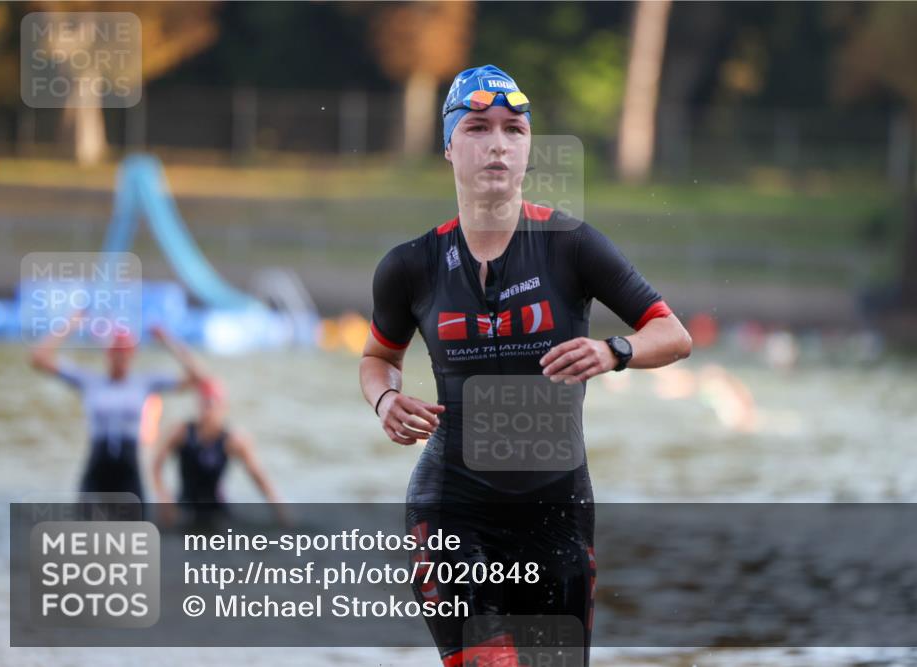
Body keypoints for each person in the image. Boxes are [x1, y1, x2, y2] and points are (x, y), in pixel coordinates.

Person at [359, 64, 692, 666]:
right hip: (451, 504)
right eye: (479, 128)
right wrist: (386, 399)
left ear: (529, 147)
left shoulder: (572, 245)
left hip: (557, 509)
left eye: (513, 129)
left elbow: (673, 335)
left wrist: (613, 351)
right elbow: (379, 358)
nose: (497, 144)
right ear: (449, 146)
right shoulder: (411, 266)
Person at [29, 322, 202, 502]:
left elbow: (198, 377)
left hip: (129, 468)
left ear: (132, 355)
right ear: (108, 354)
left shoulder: (144, 383)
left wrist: (167, 341)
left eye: (125, 353)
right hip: (98, 464)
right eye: (117, 353)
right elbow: (39, 359)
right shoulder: (90, 382)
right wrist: (70, 325)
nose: (121, 359)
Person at [150, 376, 286, 525]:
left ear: (223, 407)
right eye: (205, 403)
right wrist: (163, 496)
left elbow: (258, 476)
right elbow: (156, 464)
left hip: (217, 509)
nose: (208, 410)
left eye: (213, 404)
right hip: (186, 507)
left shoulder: (233, 440)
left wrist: (278, 507)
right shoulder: (182, 432)